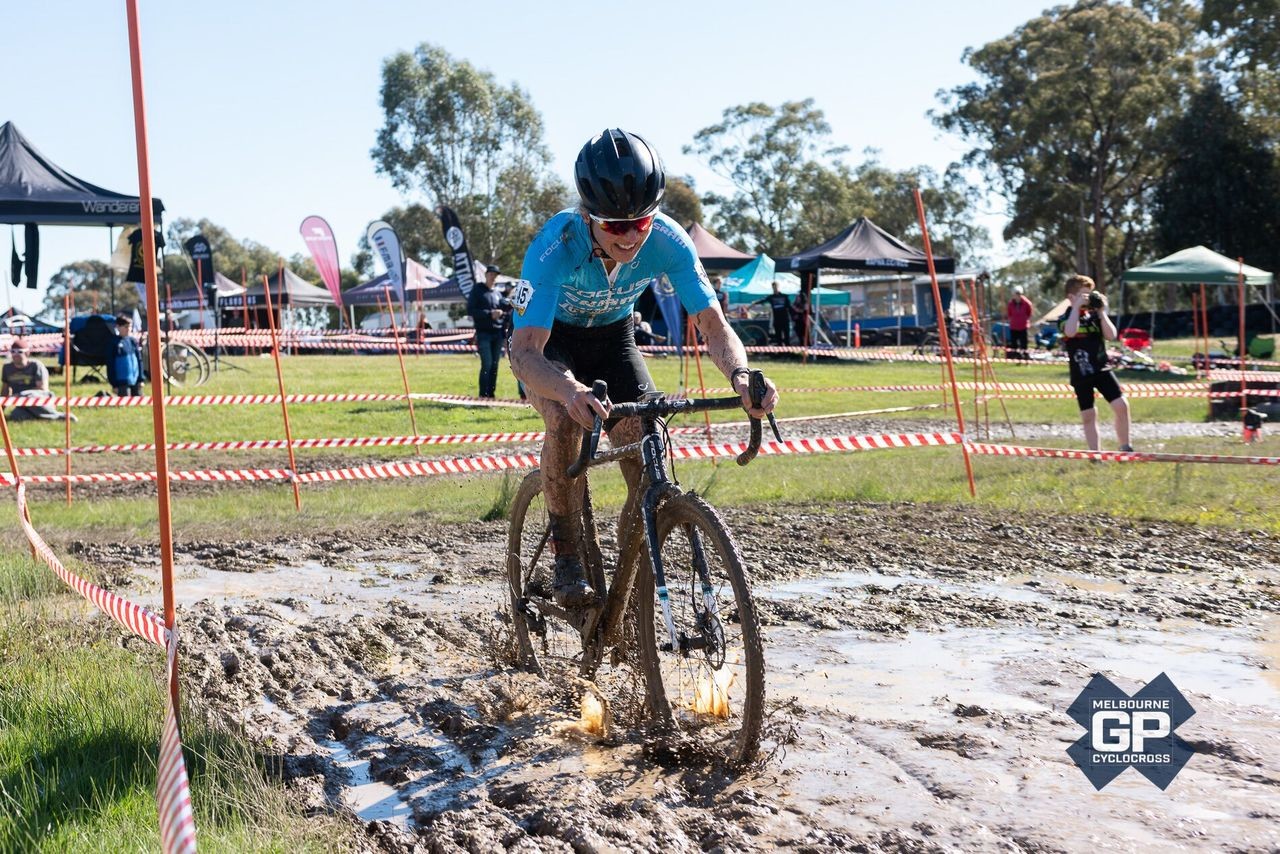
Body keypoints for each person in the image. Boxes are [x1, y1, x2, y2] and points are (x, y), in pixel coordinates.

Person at [510, 128, 778, 607]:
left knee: (643, 437)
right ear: (589, 217)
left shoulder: (670, 241)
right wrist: (569, 392)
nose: (631, 236)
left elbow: (714, 326)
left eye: (642, 222)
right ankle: (566, 552)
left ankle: (634, 561)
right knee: (564, 422)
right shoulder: (555, 246)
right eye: (615, 226)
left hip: (614, 339)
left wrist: (740, 375)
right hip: (554, 347)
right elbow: (525, 352)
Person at [1058, 274, 1132, 452]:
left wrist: (1102, 312)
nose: (1088, 299)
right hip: (1081, 374)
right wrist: (1076, 307)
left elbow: (1111, 335)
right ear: (1071, 297)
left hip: (1102, 369)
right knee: (1089, 415)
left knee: (1121, 406)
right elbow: (1070, 331)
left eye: (1090, 295)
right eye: (1084, 295)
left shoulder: (1095, 317)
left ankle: (1125, 447)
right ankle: (1095, 454)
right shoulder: (1065, 318)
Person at [2, 340, 76, 422]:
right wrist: (1, 409)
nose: (15, 354)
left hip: (41, 400)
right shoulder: (7, 368)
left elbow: (42, 389)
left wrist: (20, 395)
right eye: (13, 351)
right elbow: (5, 390)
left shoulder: (36, 365)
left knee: (25, 395)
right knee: (16, 416)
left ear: (27, 353)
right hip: (21, 403)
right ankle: (43, 418)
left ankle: (59, 417)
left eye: (19, 352)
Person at [467, 264, 507, 398]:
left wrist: (502, 312)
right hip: (483, 334)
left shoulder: (498, 293)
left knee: (495, 366)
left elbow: (506, 311)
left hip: (498, 334)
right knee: (487, 364)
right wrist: (490, 314)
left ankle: (491, 395)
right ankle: (483, 396)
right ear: (486, 275)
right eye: (491, 274)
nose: (493, 277)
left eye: (495, 275)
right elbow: (471, 310)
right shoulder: (477, 290)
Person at [108, 314, 143, 396]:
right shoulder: (113, 343)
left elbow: (139, 360)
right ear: (118, 327)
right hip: (122, 381)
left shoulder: (133, 341)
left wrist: (141, 379)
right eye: (126, 327)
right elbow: (110, 364)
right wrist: (114, 384)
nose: (129, 329)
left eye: (130, 327)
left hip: (135, 379)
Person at [752, 281, 792, 345]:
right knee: (778, 336)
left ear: (778, 287)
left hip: (785, 319)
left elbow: (789, 307)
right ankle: (780, 351)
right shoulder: (771, 297)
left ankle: (788, 351)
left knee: (786, 336)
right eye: (773, 287)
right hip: (777, 319)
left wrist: (793, 317)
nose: (775, 289)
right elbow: (763, 300)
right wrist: (754, 303)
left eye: (776, 287)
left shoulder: (784, 296)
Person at [1006, 285, 1034, 360]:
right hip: (1014, 326)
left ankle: (1025, 356)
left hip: (1023, 326)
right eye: (1015, 294)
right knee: (1014, 344)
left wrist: (1025, 320)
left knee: (1024, 343)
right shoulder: (1010, 304)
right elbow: (1009, 314)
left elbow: (1029, 313)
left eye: (1018, 294)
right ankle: (1016, 356)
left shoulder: (1027, 303)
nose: (1016, 295)